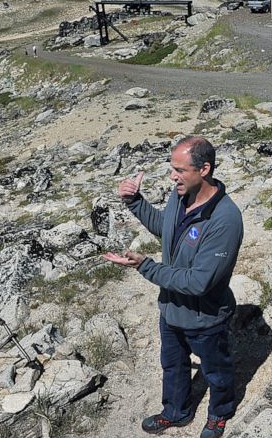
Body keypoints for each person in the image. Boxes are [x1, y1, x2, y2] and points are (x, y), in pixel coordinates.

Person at [103, 136, 243, 438]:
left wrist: (145, 266)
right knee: (173, 364)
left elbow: (199, 282)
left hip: (206, 317)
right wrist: (135, 202)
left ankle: (220, 413)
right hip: (171, 309)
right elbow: (167, 229)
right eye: (171, 168)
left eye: (179, 169)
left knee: (216, 371)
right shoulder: (180, 195)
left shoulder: (225, 219)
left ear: (204, 169)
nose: (172, 176)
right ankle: (176, 412)